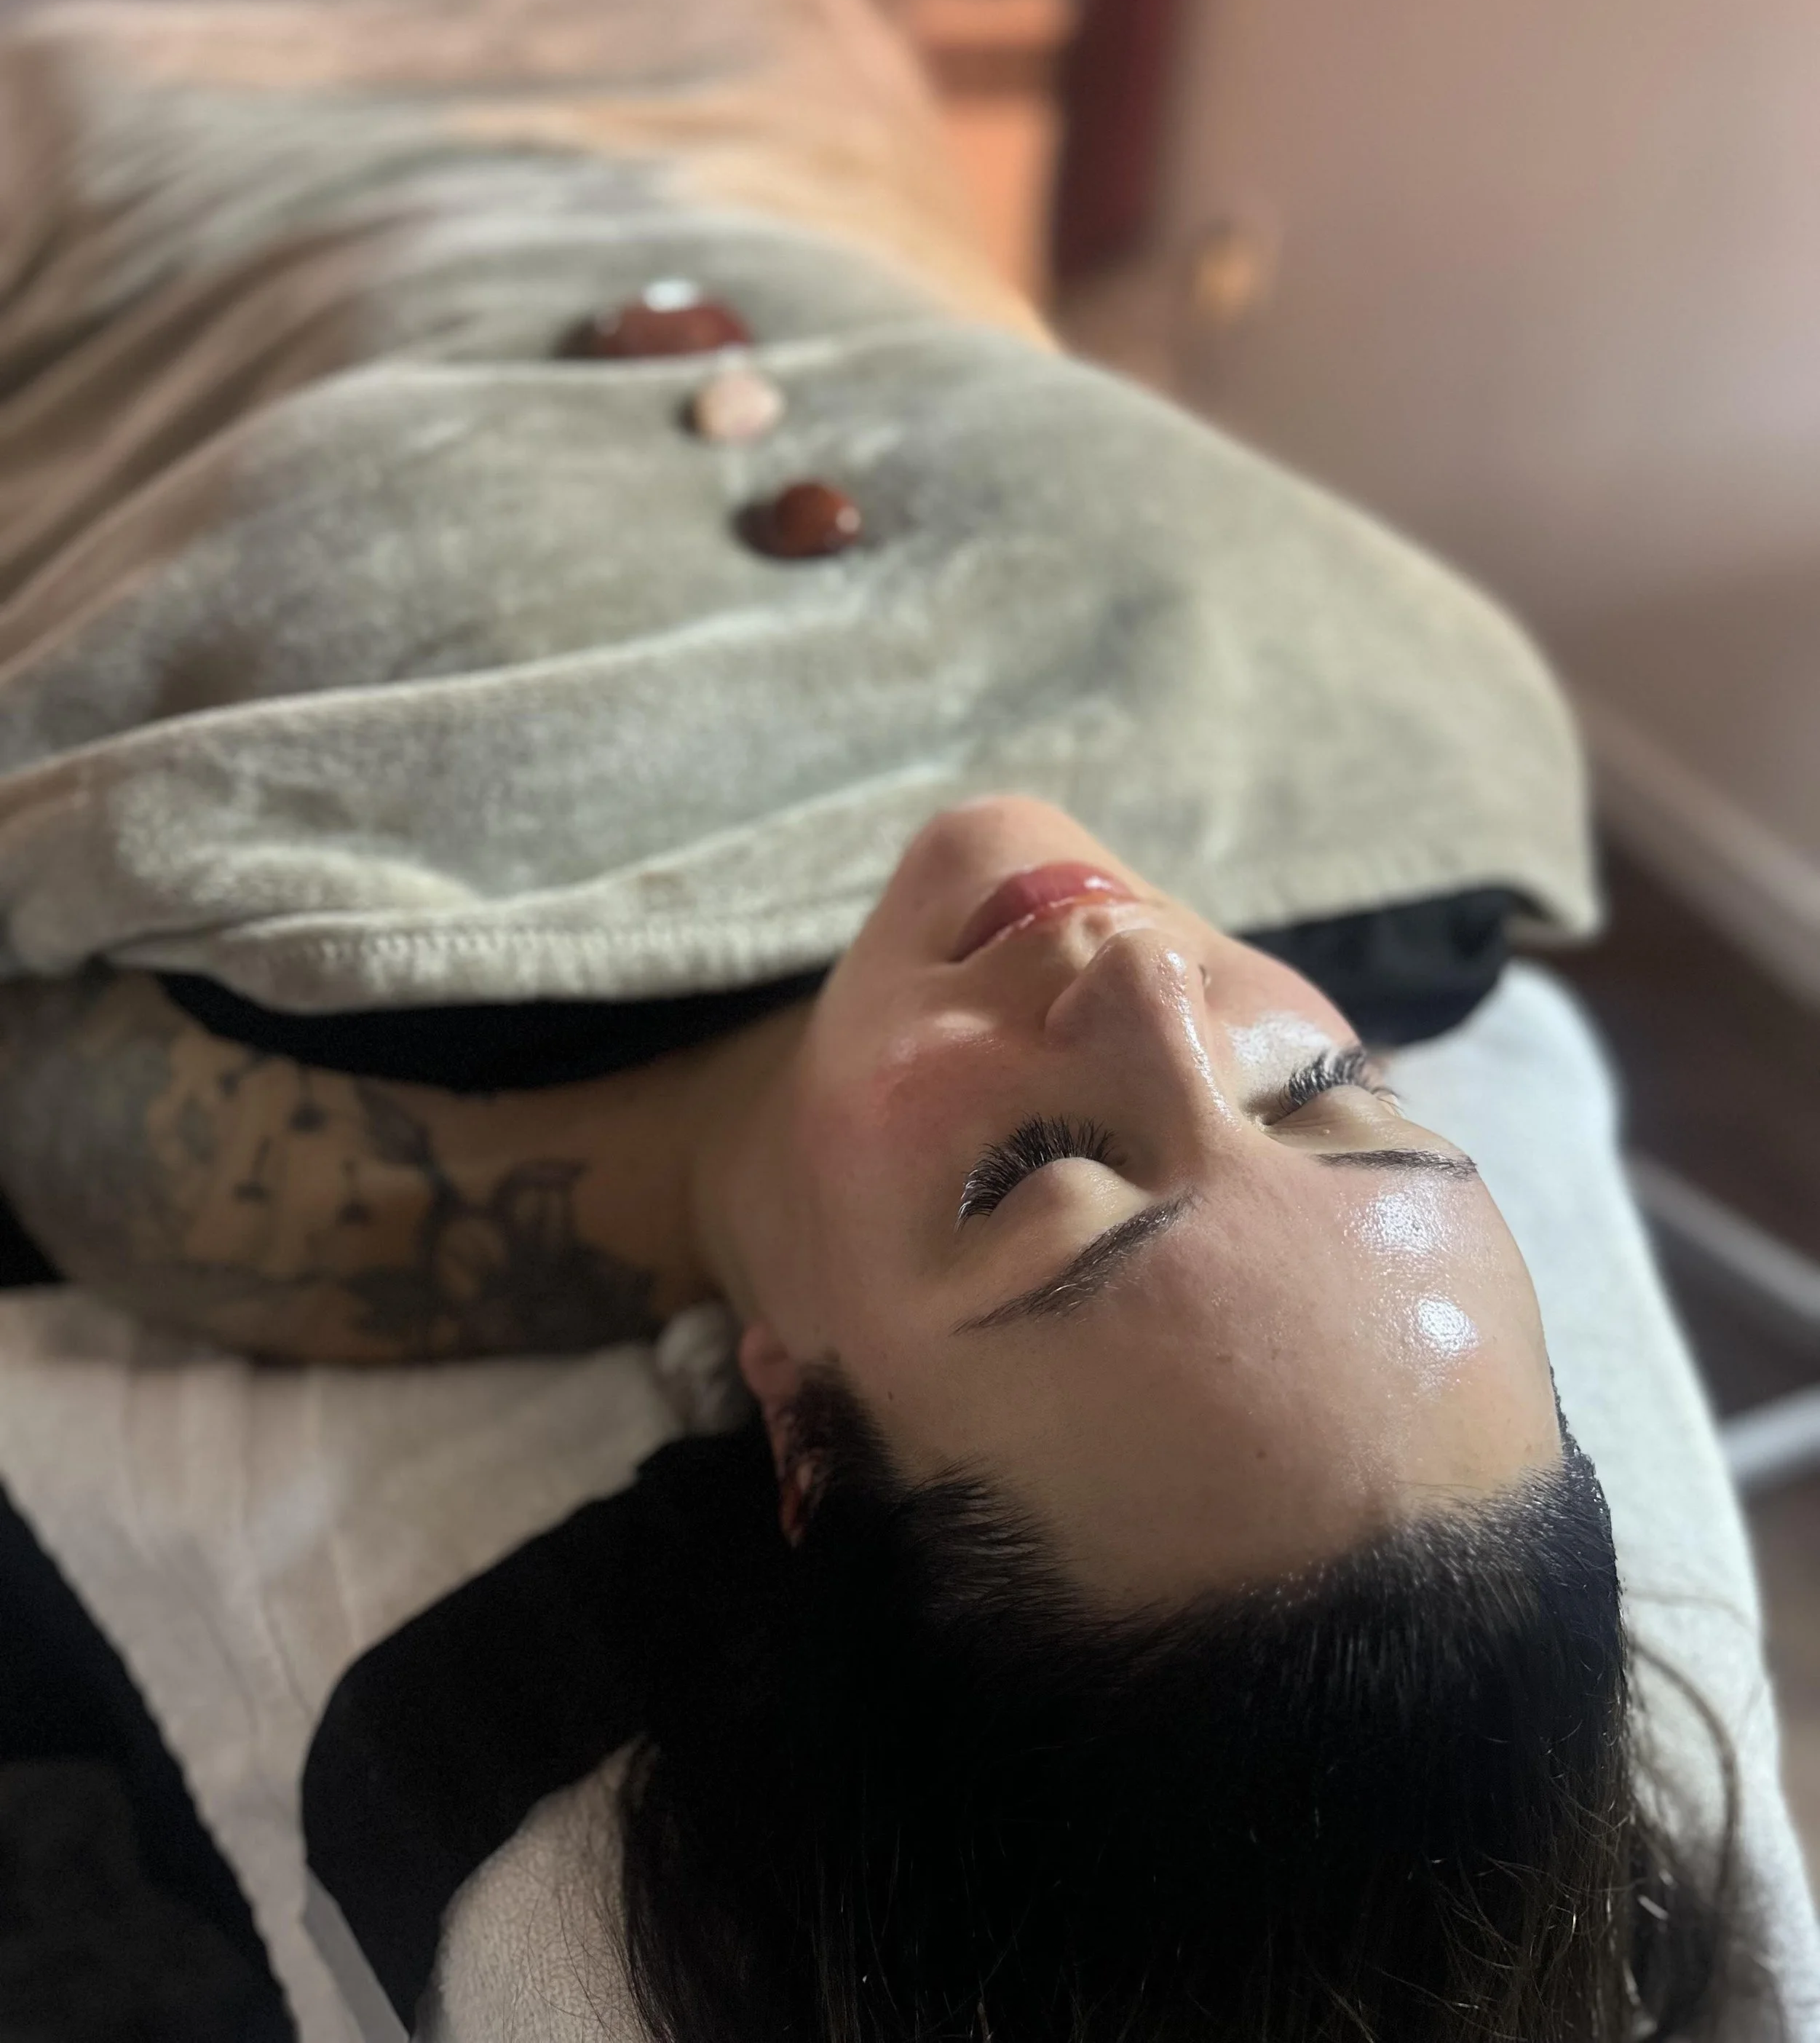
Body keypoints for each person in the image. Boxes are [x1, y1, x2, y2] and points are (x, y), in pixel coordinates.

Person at [0, 793, 1736, 2041]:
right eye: (1326, 1095)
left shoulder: (267, 1124)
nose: (1151, 982)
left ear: (803, 1442)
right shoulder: (1406, 895)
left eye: (1044, 1182)